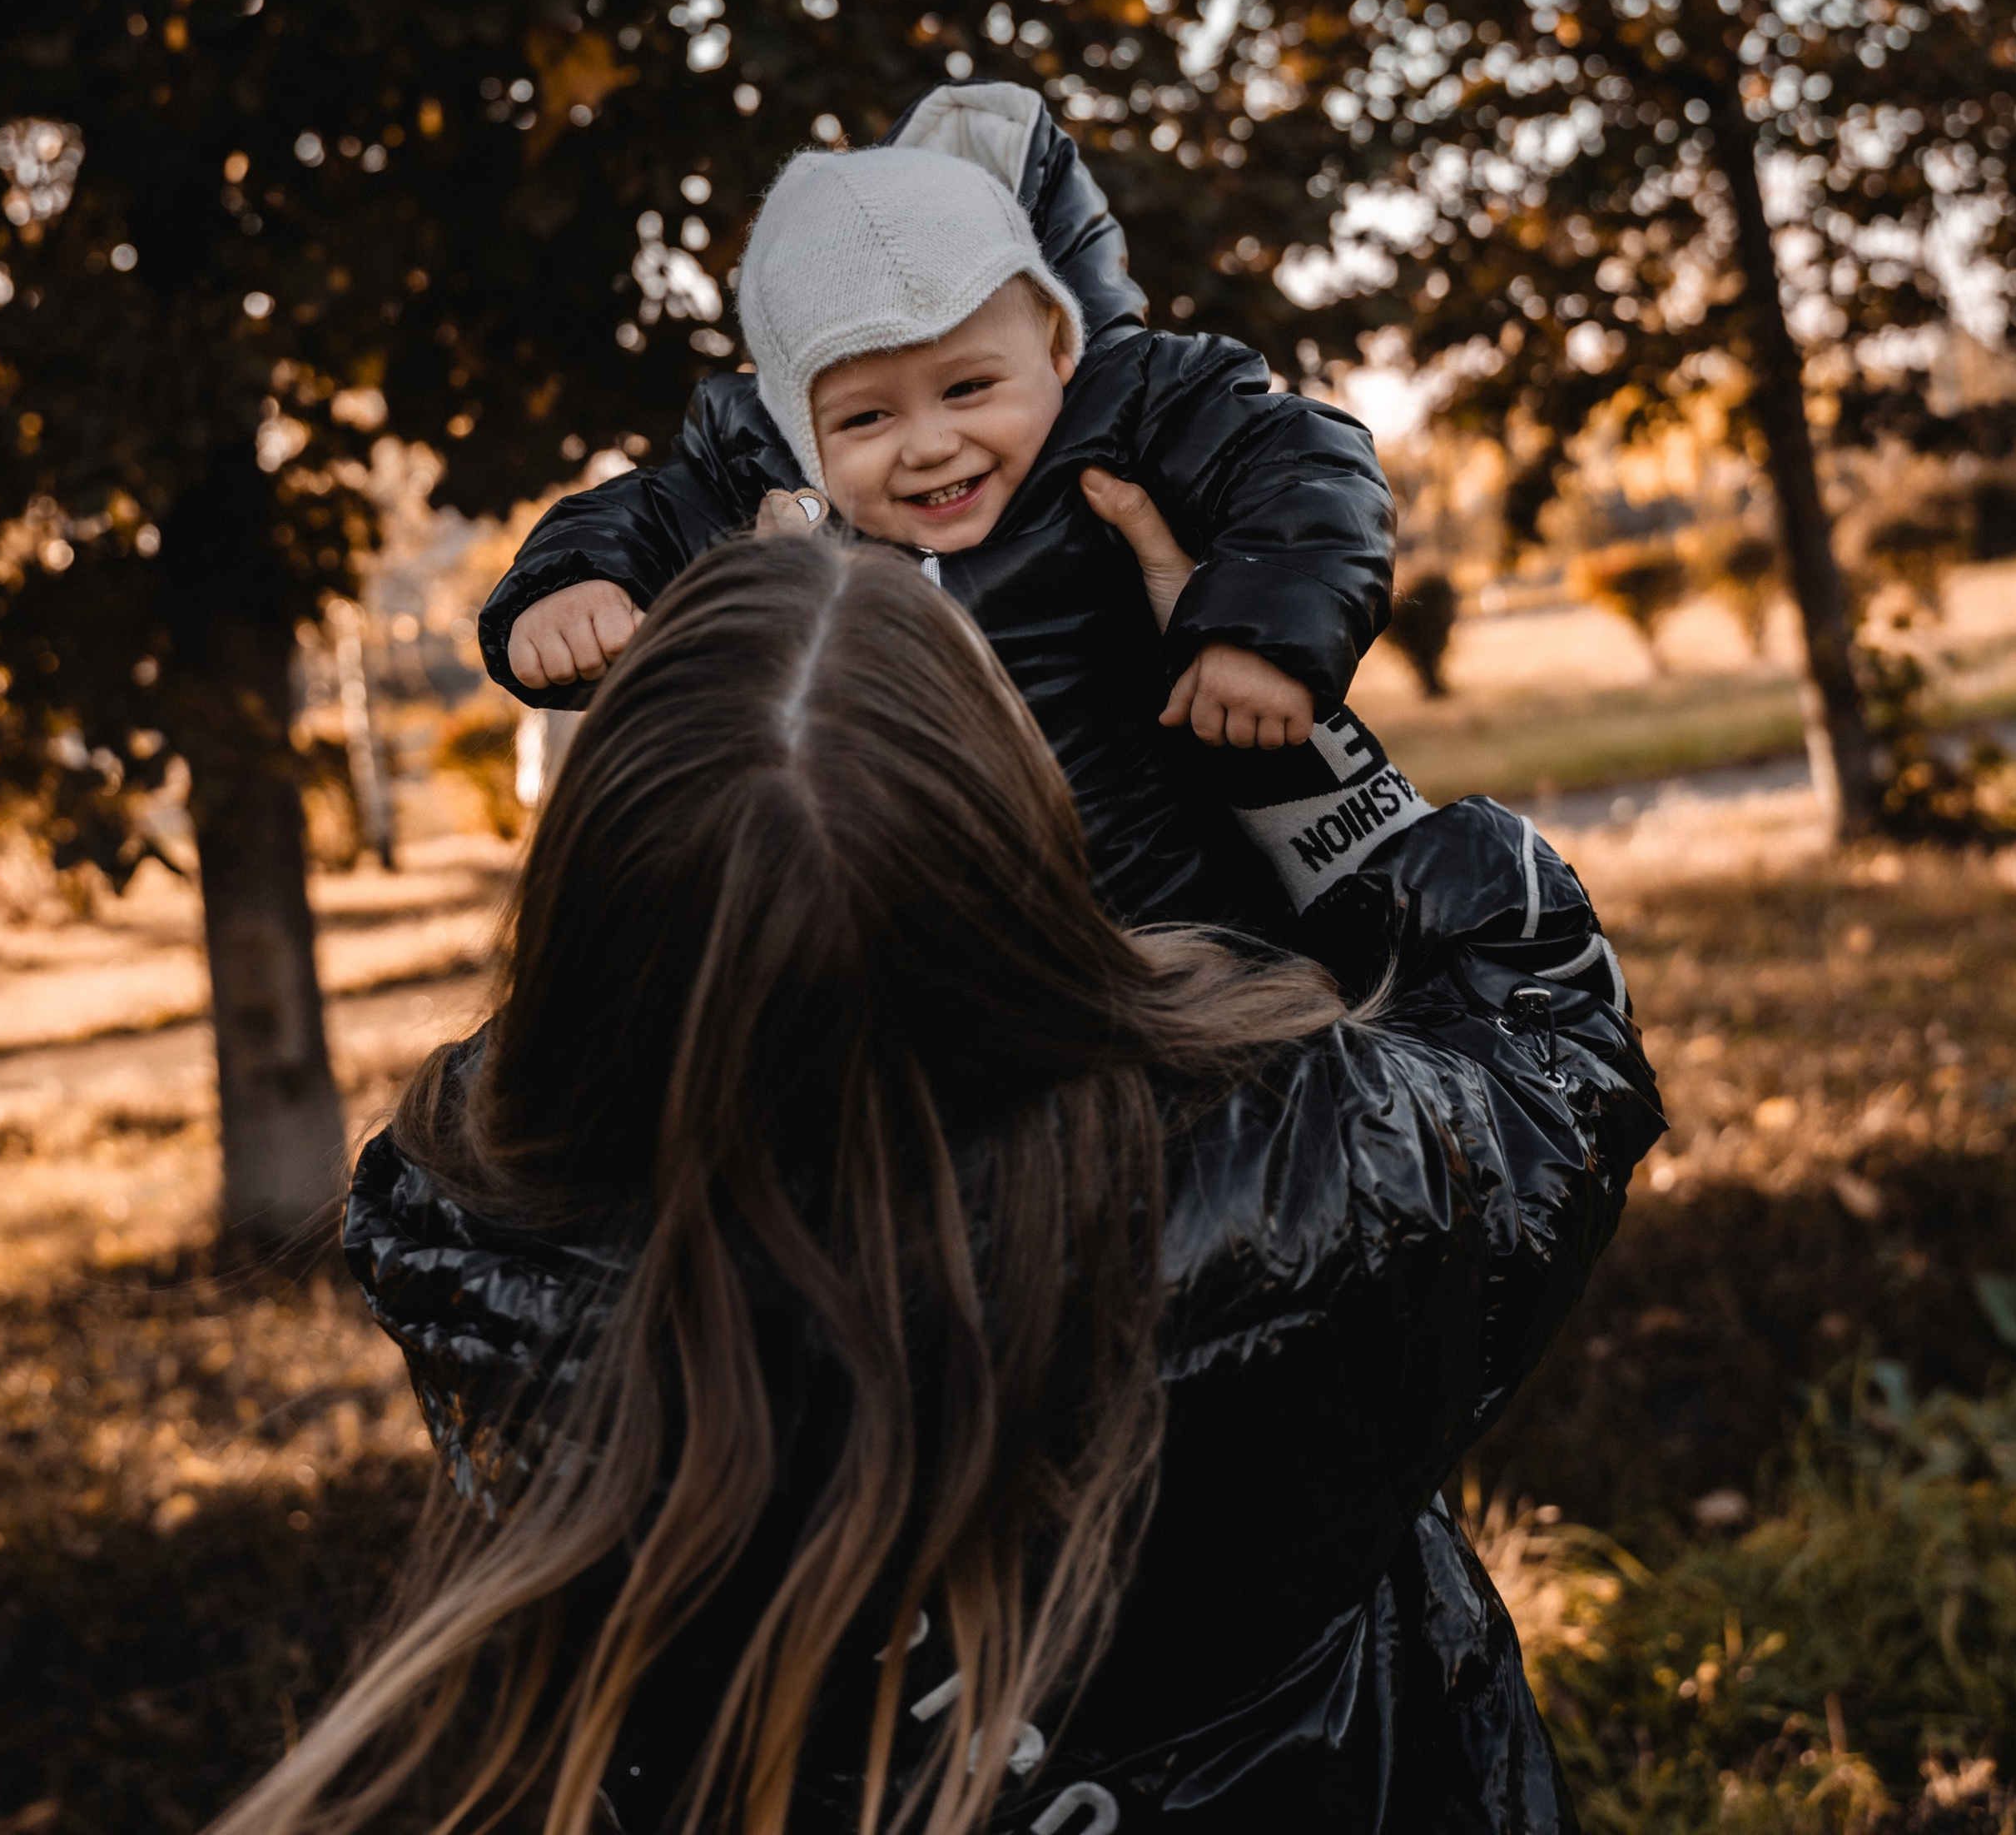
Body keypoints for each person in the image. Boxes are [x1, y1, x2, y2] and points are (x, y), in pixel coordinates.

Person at [218, 525, 1661, 1835]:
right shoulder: (1314, 1174)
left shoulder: (494, 1257)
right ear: (1022, 849)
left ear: (603, 910)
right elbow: (1550, 1024)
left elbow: (546, 1071)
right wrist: (1275, 732)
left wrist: (698, 829)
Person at [477, 82, 1401, 945]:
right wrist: (573, 587)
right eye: (866, 416)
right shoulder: (772, 485)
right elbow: (640, 514)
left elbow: (1305, 466)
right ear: (801, 425)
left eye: (967, 388)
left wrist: (1260, 625)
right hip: (922, 956)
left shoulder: (1129, 412)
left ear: (1053, 345)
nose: (926, 444)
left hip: (1183, 930)